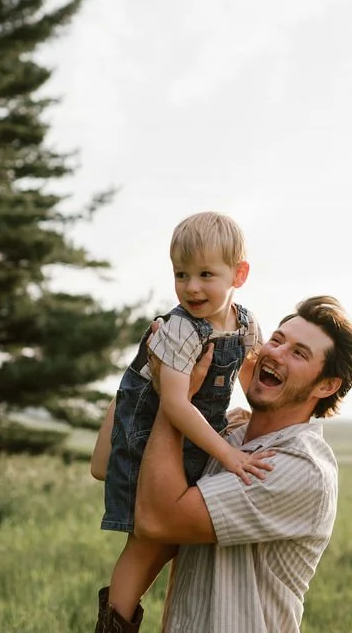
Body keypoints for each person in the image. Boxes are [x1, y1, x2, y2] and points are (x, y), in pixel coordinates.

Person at [135, 295, 352, 632]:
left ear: (327, 385)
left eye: (299, 353)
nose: (275, 353)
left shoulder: (299, 467)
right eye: (277, 339)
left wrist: (174, 394)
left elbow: (157, 520)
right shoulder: (227, 435)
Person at [93, 211, 272, 632]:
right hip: (150, 425)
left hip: (193, 429)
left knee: (171, 534)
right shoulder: (180, 329)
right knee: (144, 541)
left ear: (238, 274)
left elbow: (248, 378)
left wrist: (248, 417)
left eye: (206, 274)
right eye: (181, 274)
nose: (191, 287)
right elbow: (173, 404)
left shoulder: (245, 324)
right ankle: (112, 623)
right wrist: (228, 453)